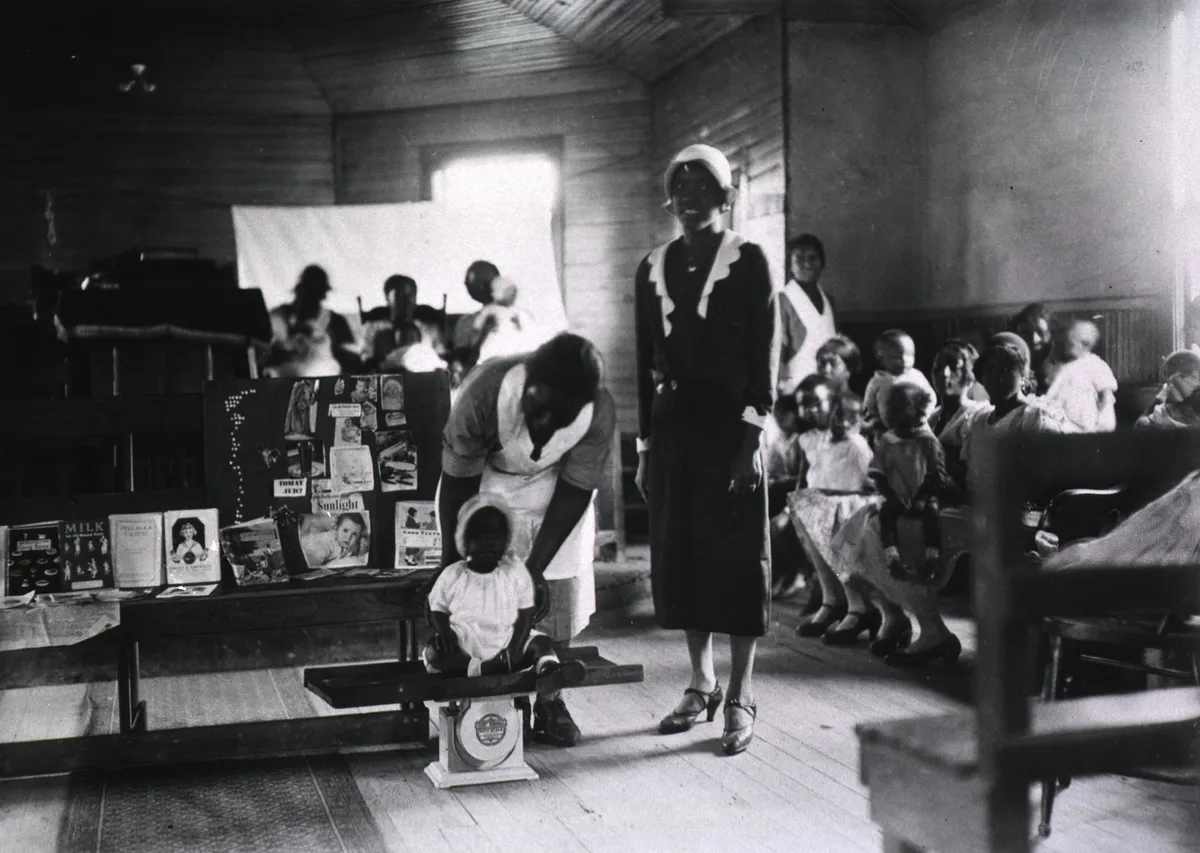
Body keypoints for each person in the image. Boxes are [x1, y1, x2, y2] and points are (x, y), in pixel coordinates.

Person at [634, 143, 778, 756]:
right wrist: (645, 447)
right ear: (671, 200)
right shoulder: (651, 266)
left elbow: (765, 352)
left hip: (733, 430)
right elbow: (645, 361)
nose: (691, 197)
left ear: (727, 196)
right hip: (674, 431)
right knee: (685, 555)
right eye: (681, 186)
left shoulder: (750, 259)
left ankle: (741, 692)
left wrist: (752, 437)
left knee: (739, 557)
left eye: (704, 186)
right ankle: (702, 682)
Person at [439, 332, 616, 747]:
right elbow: (458, 483)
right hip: (486, 481)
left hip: (555, 487)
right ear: (528, 386)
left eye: (560, 418)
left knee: (557, 585)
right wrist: (451, 564)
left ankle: (550, 701)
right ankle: (486, 696)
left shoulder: (598, 412)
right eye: (539, 412)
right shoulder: (483, 394)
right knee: (479, 583)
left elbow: (576, 489)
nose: (544, 427)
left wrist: (534, 570)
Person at [423, 492, 586, 690]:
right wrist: (444, 631)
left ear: (507, 540)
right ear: (464, 541)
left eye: (495, 538)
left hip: (506, 640)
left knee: (541, 643)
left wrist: (516, 646)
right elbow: (437, 607)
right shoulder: (454, 573)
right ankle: (482, 669)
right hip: (465, 640)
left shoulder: (515, 572)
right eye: (479, 538)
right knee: (435, 652)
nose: (487, 543)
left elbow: (526, 613)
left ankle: (549, 669)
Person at [788, 390, 877, 643]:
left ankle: (859, 607)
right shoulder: (823, 442)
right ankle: (832, 598)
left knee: (833, 518)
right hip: (830, 503)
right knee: (805, 504)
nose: (840, 422)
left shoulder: (857, 446)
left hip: (853, 506)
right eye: (836, 415)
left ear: (858, 421)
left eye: (848, 417)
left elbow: (866, 484)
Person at [870, 382, 960, 581]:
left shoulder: (928, 441)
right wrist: (893, 497)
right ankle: (893, 559)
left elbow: (936, 476)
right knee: (886, 514)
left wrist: (921, 498)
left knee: (932, 513)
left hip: (924, 496)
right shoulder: (887, 441)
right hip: (896, 497)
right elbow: (878, 475)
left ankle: (932, 559)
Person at [264, 265, 359, 377]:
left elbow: (353, 360)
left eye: (314, 294)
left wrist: (333, 348)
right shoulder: (279, 316)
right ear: (299, 290)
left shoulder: (335, 321)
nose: (308, 299)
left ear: (323, 295)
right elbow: (264, 352)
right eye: (307, 292)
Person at [778, 235, 837, 397]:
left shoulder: (828, 300)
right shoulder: (783, 300)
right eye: (800, 259)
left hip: (828, 385)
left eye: (813, 258)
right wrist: (783, 387)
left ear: (822, 263)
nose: (807, 264)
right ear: (790, 266)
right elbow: (778, 350)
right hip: (796, 387)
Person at [1040, 319, 1118, 433]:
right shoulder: (1065, 366)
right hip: (1063, 420)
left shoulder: (1095, 364)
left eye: (1070, 341)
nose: (1066, 344)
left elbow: (1106, 395)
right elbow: (1053, 390)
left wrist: (1103, 423)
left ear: (1084, 344)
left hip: (1086, 423)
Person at [862, 330, 936, 441]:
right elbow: (869, 408)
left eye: (910, 355)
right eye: (896, 357)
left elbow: (930, 395)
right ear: (881, 359)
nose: (904, 360)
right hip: (888, 431)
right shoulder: (877, 382)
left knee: (928, 444)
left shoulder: (916, 375)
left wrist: (924, 413)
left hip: (918, 427)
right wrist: (876, 423)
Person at [363, 275, 423, 370]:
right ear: (387, 298)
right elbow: (367, 359)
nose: (406, 302)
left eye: (410, 296)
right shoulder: (374, 328)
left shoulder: (428, 328)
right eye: (399, 297)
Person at [1136, 348, 1200, 428]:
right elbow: (1141, 421)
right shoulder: (1167, 391)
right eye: (1193, 377)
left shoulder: (1196, 394)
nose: (1197, 383)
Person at [1011, 302, 1054, 395]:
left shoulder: (1059, 368)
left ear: (1050, 334)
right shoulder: (1011, 363)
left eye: (1040, 332)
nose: (1034, 339)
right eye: (1026, 332)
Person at [302, 512, 368, 567]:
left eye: (354, 534)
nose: (348, 537)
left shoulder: (356, 545)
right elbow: (312, 559)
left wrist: (362, 549)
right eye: (345, 530)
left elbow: (361, 549)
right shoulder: (328, 543)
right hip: (307, 545)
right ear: (336, 528)